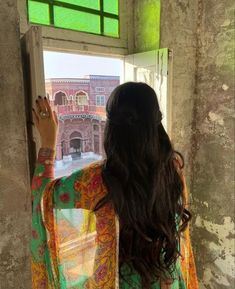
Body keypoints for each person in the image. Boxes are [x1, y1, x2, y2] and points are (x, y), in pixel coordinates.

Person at [31, 82, 198, 289]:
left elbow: (43, 199)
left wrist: (48, 143)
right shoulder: (172, 173)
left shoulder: (96, 182)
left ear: (111, 130)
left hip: (114, 282)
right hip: (166, 280)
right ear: (156, 125)